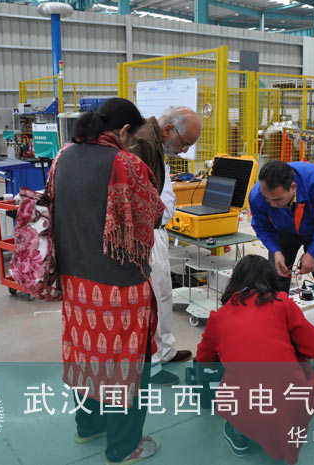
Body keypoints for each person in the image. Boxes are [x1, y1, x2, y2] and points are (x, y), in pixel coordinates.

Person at [52, 98, 164, 465]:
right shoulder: (126, 163)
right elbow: (153, 215)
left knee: (87, 354)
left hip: (75, 281)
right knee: (125, 365)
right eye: (133, 137)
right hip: (119, 286)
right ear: (125, 131)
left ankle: (88, 427)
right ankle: (123, 447)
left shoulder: (62, 156)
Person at [196, 255, 314, 464]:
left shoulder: (218, 317)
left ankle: (240, 432)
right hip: (293, 402)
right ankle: (287, 425)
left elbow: (203, 361)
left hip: (248, 406)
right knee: (299, 368)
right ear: (270, 279)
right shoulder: (283, 303)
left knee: (231, 380)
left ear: (235, 281)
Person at [129, 106, 202, 385]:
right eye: (185, 143)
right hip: (146, 235)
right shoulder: (142, 146)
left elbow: (162, 194)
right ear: (169, 129)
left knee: (164, 294)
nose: (184, 151)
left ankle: (166, 350)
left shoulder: (156, 147)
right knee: (153, 300)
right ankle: (154, 363)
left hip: (158, 231)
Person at [248, 160, 314, 306]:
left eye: (278, 199)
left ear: (293, 187)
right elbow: (262, 227)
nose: (272, 204)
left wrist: (312, 253)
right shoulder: (257, 196)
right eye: (267, 200)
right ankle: (277, 316)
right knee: (276, 278)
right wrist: (276, 251)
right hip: (283, 231)